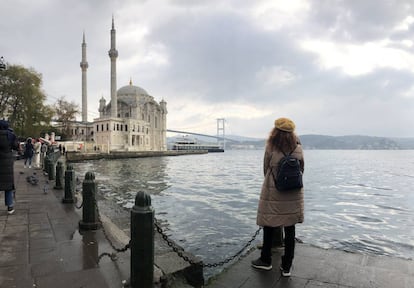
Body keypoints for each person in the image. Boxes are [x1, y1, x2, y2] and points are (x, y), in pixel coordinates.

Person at [251, 117, 304, 277]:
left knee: (269, 224)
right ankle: (287, 266)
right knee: (290, 227)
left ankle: (266, 260)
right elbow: (301, 168)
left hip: (274, 191)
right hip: (293, 192)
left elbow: (265, 168)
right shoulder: (298, 146)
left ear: (275, 131)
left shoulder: (271, 146)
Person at [0, 120, 19, 214]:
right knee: (8, 186)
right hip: (7, 162)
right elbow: (16, 146)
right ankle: (10, 207)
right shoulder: (10, 135)